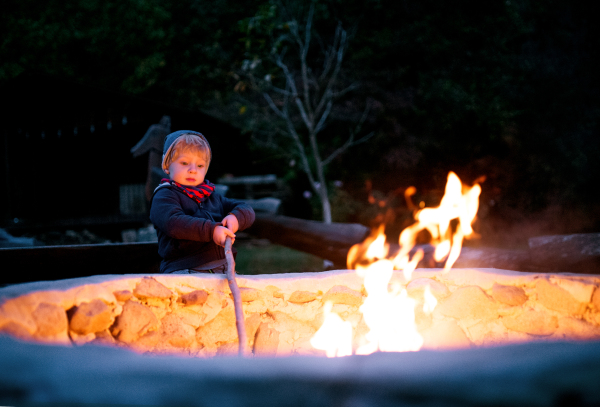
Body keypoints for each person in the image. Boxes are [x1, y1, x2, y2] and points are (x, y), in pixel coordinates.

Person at [150, 130, 255, 274]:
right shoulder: (165, 195)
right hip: (184, 268)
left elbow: (245, 209)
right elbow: (173, 223)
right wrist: (212, 230)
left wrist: (235, 218)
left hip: (222, 267)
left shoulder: (211, 196)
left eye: (200, 166)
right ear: (167, 166)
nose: (193, 170)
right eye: (185, 163)